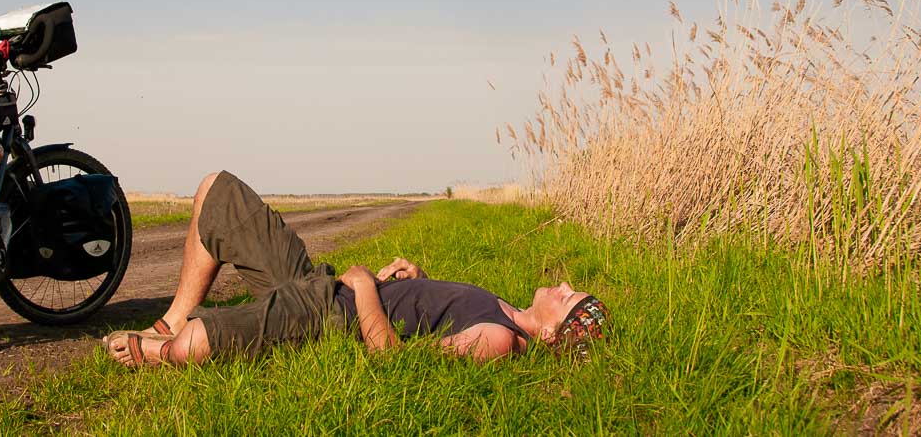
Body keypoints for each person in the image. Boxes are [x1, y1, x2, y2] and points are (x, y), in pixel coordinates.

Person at [104, 171, 609, 367]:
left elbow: (392, 359)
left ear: (550, 334)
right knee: (217, 191)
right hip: (325, 285)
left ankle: (153, 354)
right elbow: (425, 319)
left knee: (199, 342)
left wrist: (366, 287)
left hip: (332, 312)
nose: (563, 286)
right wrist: (413, 279)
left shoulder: (502, 341)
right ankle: (170, 317)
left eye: (569, 298)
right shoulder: (505, 311)